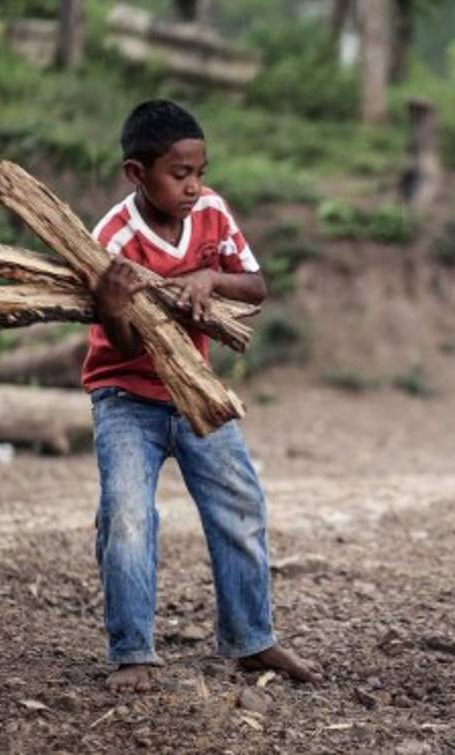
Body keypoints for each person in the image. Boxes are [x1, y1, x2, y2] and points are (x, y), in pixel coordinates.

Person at [83, 99, 320, 693]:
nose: (194, 186)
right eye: (179, 174)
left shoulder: (212, 214)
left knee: (240, 505)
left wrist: (210, 278)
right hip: (126, 398)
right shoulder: (110, 238)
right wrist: (113, 304)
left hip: (196, 392)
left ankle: (251, 640)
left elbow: (258, 287)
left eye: (200, 172)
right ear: (137, 174)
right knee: (127, 517)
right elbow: (116, 341)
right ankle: (133, 650)